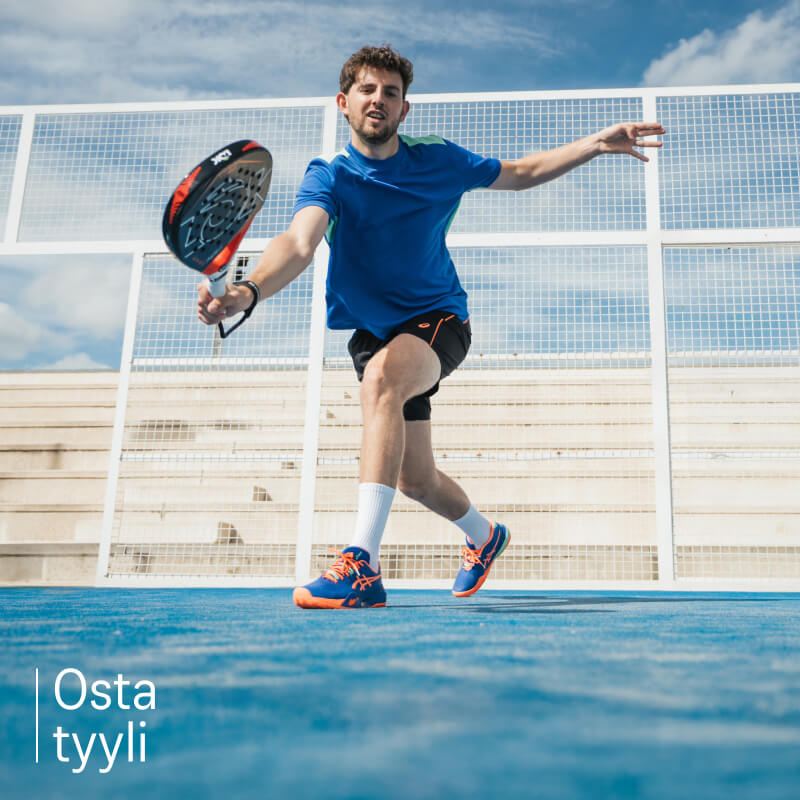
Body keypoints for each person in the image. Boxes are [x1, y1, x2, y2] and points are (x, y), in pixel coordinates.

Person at [197, 44, 665, 609]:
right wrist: (247, 292)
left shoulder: (437, 159)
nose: (379, 100)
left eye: (391, 93)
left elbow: (518, 173)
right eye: (368, 90)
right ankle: (484, 535)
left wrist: (596, 143)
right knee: (414, 480)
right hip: (375, 332)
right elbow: (299, 243)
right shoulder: (331, 175)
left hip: (439, 318)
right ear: (344, 103)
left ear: (404, 110)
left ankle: (360, 568)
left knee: (381, 383)